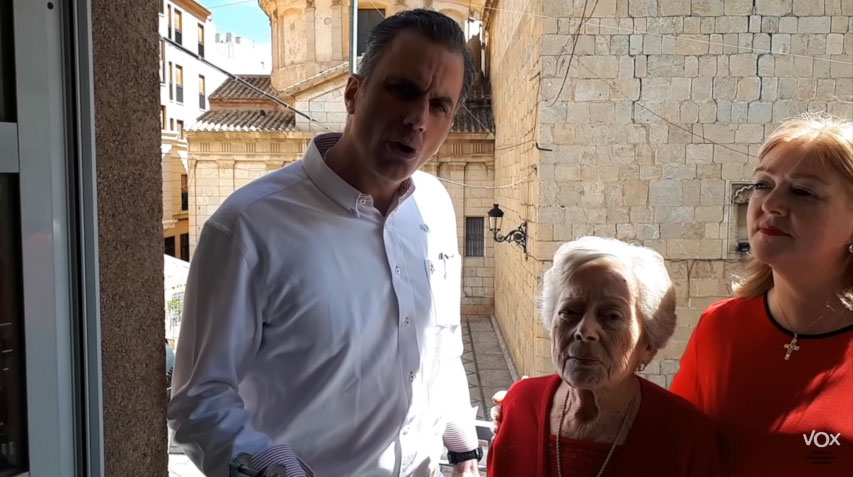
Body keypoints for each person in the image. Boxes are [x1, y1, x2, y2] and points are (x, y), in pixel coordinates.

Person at [167, 10, 483, 477]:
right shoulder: (247, 229)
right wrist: (272, 467)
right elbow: (198, 398)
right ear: (354, 92)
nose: (418, 119)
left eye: (440, 105)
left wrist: (461, 449)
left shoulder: (435, 207)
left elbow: (443, 345)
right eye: (403, 90)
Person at [670, 114, 853, 475]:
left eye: (802, 191)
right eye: (762, 184)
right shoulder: (719, 328)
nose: (770, 204)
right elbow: (673, 446)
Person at [488, 237, 721, 477]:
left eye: (611, 317)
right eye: (570, 311)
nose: (584, 331)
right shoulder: (520, 405)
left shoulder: (685, 438)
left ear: (649, 345)